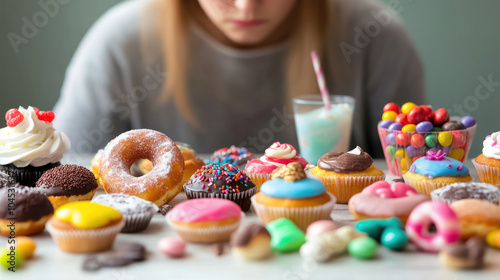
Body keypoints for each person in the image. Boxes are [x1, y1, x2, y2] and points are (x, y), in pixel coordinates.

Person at [53, 0, 425, 158]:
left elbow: (413, 176)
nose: (247, 6)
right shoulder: (120, 43)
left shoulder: (375, 38)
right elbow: (62, 178)